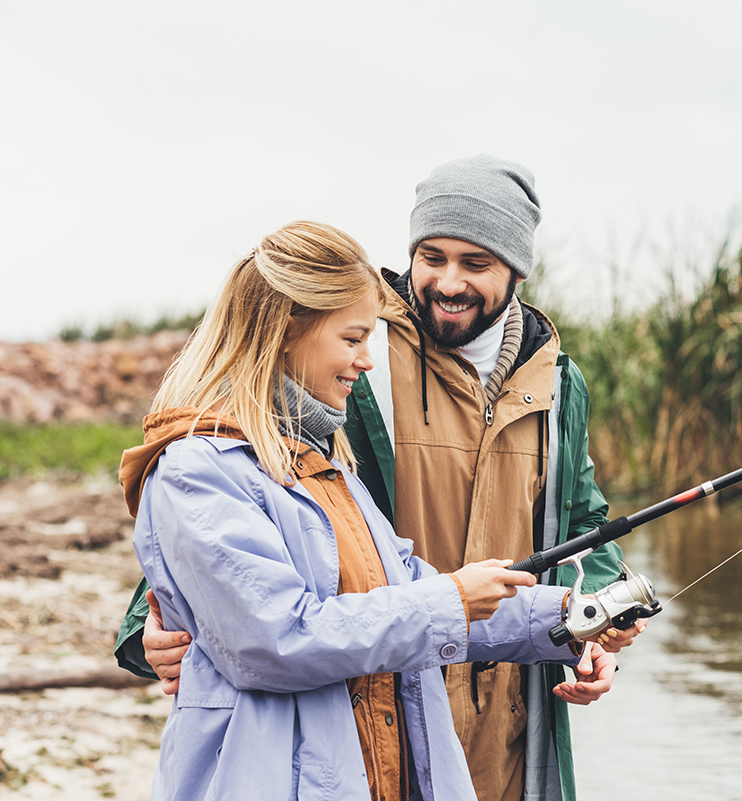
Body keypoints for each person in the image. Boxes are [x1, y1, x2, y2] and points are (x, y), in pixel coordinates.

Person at [116, 157, 642, 801]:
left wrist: (576, 615)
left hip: (457, 731)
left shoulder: (325, 456)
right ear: (287, 334)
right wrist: (151, 625)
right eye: (432, 256)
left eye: (476, 263)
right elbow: (258, 615)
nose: (366, 357)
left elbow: (422, 575)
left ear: (517, 270)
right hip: (334, 743)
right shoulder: (215, 458)